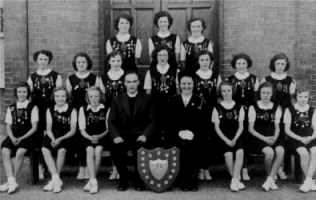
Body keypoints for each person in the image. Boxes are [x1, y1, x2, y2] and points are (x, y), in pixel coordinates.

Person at [108, 70, 155, 191]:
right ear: (124, 83)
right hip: (123, 135)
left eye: (134, 81)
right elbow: (111, 121)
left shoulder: (147, 98)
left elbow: (152, 121)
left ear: (139, 82)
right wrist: (116, 136)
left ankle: (140, 181)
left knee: (141, 148)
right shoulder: (117, 99)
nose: (132, 84)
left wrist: (145, 135)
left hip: (140, 135)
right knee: (116, 148)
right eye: (129, 82)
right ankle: (124, 179)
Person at [165, 71, 204, 192]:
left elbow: (203, 122)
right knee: (181, 146)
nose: (186, 86)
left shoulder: (200, 101)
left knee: (195, 147)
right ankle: (183, 180)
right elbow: (169, 121)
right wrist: (179, 132)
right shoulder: (172, 100)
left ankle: (192, 181)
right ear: (179, 85)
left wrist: (193, 133)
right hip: (177, 135)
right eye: (184, 83)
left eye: (189, 83)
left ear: (194, 85)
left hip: (195, 135)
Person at [27, 49, 62, 179]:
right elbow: (29, 96)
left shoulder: (56, 76)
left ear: (49, 60)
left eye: (45, 59)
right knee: (38, 138)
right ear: (36, 61)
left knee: (51, 137)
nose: (43, 62)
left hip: (51, 110)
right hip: (37, 110)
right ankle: (40, 166)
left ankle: (52, 166)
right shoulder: (32, 77)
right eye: (40, 59)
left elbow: (59, 95)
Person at [261, 53, 296, 179]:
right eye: (278, 64)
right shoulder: (266, 79)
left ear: (286, 65)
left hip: (284, 114)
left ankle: (280, 168)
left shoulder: (290, 81)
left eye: (282, 64)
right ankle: (272, 170)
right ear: (273, 64)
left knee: (281, 141)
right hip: (270, 113)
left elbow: (292, 101)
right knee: (272, 138)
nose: (280, 66)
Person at [0, 82, 38, 194]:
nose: (22, 94)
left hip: (27, 135)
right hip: (13, 135)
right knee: (5, 151)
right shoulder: (11, 107)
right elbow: (8, 126)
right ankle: (11, 181)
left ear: (28, 93)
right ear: (16, 93)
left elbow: (34, 128)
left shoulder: (32, 107)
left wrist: (21, 138)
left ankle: (12, 180)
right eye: (19, 92)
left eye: (24, 92)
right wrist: (12, 137)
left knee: (20, 152)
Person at [66, 52, 99, 180]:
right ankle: (81, 168)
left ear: (88, 63)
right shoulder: (70, 79)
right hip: (76, 112)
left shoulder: (94, 78)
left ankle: (89, 169)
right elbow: (68, 98)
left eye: (83, 62)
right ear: (75, 64)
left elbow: (97, 96)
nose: (81, 64)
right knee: (79, 140)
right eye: (78, 62)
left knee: (87, 140)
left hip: (89, 111)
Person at [227, 53, 259, 181]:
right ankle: (237, 169)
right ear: (235, 65)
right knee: (237, 139)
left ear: (248, 64)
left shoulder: (253, 79)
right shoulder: (230, 79)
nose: (241, 66)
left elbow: (257, 98)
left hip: (249, 113)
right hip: (235, 113)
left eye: (243, 63)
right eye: (238, 63)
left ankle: (245, 168)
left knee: (246, 140)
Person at [248, 82, 284, 191]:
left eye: (268, 93)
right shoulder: (253, 107)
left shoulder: (277, 107)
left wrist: (275, 138)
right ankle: (269, 176)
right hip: (259, 137)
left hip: (274, 136)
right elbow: (250, 129)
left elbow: (277, 127)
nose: (265, 95)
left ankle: (270, 179)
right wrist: (264, 138)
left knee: (280, 151)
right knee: (269, 152)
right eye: (263, 92)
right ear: (260, 93)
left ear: (272, 93)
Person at [41, 86, 77, 193]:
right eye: (57, 96)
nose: (60, 98)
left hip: (67, 136)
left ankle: (54, 180)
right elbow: (48, 129)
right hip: (53, 135)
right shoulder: (50, 110)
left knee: (61, 151)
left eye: (62, 96)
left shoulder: (72, 110)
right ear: (54, 97)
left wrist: (60, 139)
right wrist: (52, 138)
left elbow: (73, 131)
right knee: (45, 149)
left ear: (67, 97)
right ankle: (56, 179)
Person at [212, 81, 245, 192]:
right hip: (223, 137)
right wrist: (226, 140)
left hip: (236, 135)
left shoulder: (239, 107)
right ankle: (235, 179)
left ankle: (234, 181)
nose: (226, 93)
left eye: (228, 90)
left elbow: (241, 126)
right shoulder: (217, 108)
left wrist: (235, 139)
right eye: (224, 91)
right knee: (228, 156)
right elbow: (217, 128)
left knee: (240, 152)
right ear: (221, 92)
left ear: (233, 91)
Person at [193, 50, 221, 181]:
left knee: (209, 141)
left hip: (211, 110)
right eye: (202, 60)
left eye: (207, 60)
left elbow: (219, 95)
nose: (204, 62)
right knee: (198, 140)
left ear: (211, 62)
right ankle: (198, 168)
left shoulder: (216, 75)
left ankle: (206, 168)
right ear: (198, 61)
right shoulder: (194, 75)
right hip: (197, 112)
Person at [144, 44, 179, 147]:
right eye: (160, 55)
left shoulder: (176, 71)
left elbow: (178, 90)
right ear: (156, 56)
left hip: (171, 106)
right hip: (156, 106)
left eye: (165, 55)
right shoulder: (150, 72)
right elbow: (148, 92)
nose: (162, 58)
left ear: (169, 56)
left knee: (170, 130)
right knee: (156, 130)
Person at [284, 86, 316, 192]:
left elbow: (315, 128)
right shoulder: (289, 110)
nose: (303, 99)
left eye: (305, 96)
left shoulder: (312, 110)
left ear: (309, 97)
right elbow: (287, 130)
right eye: (300, 96)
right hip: (295, 137)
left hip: (309, 136)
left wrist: (312, 137)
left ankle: (307, 181)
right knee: (304, 153)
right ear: (295, 97)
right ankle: (310, 181)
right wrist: (300, 139)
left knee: (315, 152)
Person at [100, 51, 126, 180]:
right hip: (111, 110)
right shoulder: (103, 77)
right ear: (109, 61)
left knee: (124, 138)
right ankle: (115, 169)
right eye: (113, 61)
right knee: (113, 138)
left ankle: (122, 170)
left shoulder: (126, 75)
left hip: (125, 111)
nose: (116, 63)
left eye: (119, 61)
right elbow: (103, 97)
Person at [79, 86, 109, 194]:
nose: (94, 99)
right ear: (87, 97)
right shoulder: (83, 109)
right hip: (87, 136)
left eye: (96, 96)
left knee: (98, 150)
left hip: (102, 136)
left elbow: (108, 128)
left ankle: (91, 180)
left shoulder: (106, 109)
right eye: (91, 96)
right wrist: (89, 137)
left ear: (100, 96)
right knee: (90, 150)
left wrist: (99, 136)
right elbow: (82, 129)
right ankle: (93, 181)